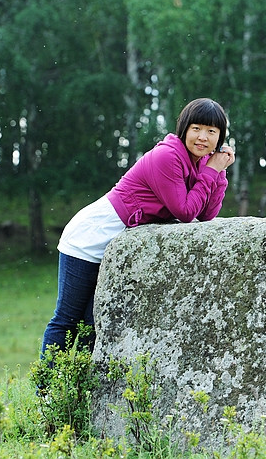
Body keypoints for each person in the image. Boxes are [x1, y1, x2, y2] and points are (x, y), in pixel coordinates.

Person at [41, 97, 236, 355]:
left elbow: (206, 214)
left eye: (212, 131)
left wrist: (218, 172)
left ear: (220, 138)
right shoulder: (167, 156)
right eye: (197, 128)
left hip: (115, 244)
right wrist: (211, 171)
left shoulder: (200, 161)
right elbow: (186, 212)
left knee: (92, 324)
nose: (203, 137)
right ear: (184, 129)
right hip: (90, 237)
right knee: (68, 320)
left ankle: (75, 391)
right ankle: (45, 392)